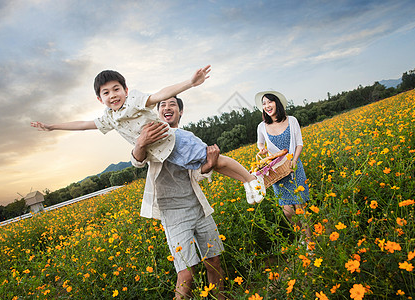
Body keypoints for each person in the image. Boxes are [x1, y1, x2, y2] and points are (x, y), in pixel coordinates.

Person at [31, 65, 265, 204]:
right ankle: (249, 181)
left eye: (116, 89)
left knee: (217, 159)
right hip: (169, 155)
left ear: (126, 90)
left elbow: (159, 95)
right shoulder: (109, 118)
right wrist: (52, 127)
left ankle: (251, 180)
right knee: (211, 164)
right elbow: (83, 124)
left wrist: (190, 83)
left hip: (176, 141)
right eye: (106, 92)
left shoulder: (134, 102)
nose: (113, 95)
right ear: (99, 99)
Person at [132, 96, 225, 299]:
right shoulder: (152, 136)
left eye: (172, 104)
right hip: (173, 214)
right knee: (187, 273)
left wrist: (209, 164)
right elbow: (137, 160)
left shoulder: (186, 139)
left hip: (197, 206)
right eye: (162, 105)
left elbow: (196, 173)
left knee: (214, 262)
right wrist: (140, 143)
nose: (167, 107)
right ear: (158, 113)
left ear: (180, 112)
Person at [255, 90, 312, 245]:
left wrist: (294, 160)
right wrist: (262, 149)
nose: (267, 106)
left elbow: (299, 143)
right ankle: (301, 235)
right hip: (277, 172)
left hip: (294, 167)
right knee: (288, 212)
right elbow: (260, 143)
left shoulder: (291, 120)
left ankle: (309, 243)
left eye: (269, 102)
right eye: (264, 103)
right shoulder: (262, 126)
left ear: (277, 103)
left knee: (300, 208)